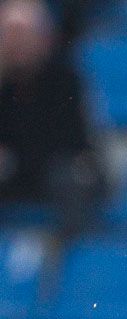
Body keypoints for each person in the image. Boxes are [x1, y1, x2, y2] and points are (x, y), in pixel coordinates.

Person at [0, 0, 106, 235]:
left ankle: (70, 261)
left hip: (58, 173)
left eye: (21, 34)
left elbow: (69, 143)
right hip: (17, 176)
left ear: (42, 37)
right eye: (8, 34)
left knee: (70, 179)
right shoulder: (4, 85)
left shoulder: (65, 81)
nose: (15, 43)